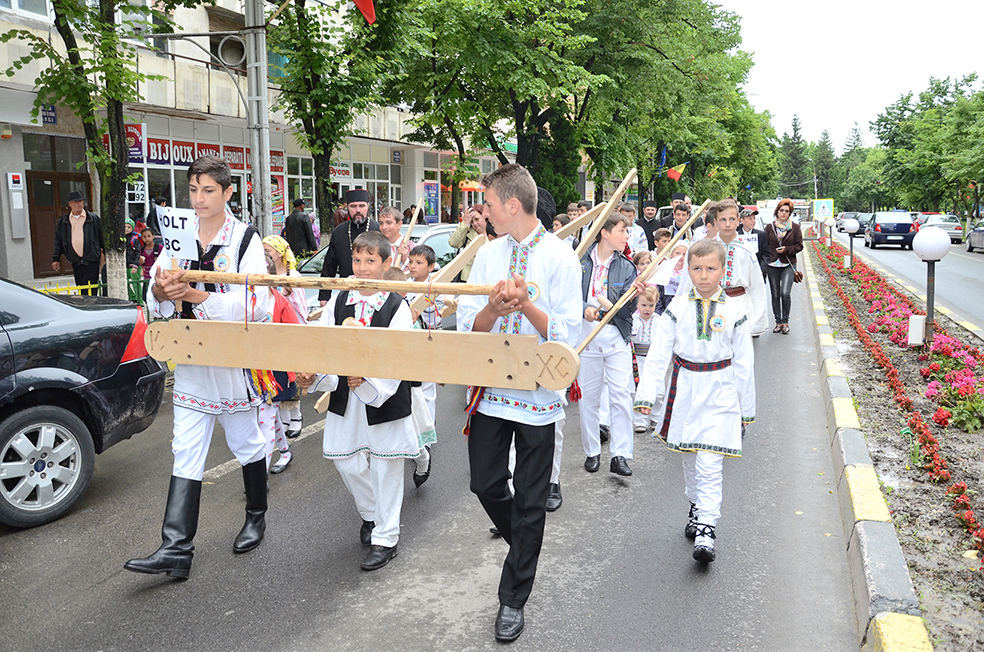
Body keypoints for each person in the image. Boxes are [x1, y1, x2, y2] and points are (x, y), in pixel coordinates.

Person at [124, 156, 272, 580]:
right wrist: (161, 290)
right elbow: (156, 291)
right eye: (193, 190)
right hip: (191, 358)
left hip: (230, 361)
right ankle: (176, 548)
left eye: (208, 190)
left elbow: (256, 304)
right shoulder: (179, 234)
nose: (199, 199)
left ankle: (256, 516)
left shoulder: (245, 239)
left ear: (228, 192)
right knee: (185, 449)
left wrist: (196, 295)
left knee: (246, 442)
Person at [457, 163, 581, 642]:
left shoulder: (560, 257)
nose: (484, 212)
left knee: (531, 500)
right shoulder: (488, 253)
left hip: (538, 393)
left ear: (512, 205)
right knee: (484, 483)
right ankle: (525, 546)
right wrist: (493, 308)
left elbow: (569, 335)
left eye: (488, 204)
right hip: (492, 390)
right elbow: (470, 324)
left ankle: (512, 598)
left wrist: (526, 303)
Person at [298, 231, 417, 572]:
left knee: (385, 468)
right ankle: (372, 514)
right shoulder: (339, 300)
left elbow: (399, 357)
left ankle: (386, 538)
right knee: (347, 462)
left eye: (370, 261)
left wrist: (370, 381)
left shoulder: (396, 306)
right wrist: (313, 374)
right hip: (345, 397)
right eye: (357, 260)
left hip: (384, 397)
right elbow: (325, 345)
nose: (362, 268)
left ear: (386, 263)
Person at [634, 238, 755, 564]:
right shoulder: (676, 309)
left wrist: (746, 409)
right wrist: (645, 395)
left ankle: (706, 530)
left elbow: (744, 363)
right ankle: (696, 505)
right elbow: (658, 356)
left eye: (711, 269)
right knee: (689, 458)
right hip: (685, 388)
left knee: (710, 463)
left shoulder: (735, 311)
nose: (703, 275)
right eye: (697, 268)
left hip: (721, 390)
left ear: (722, 270)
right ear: (688, 269)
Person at [578, 212, 638, 477]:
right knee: (588, 398)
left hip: (616, 337)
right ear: (605, 232)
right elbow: (565, 296)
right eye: (622, 230)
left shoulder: (627, 267)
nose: (627, 236)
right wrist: (584, 309)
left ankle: (620, 454)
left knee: (621, 396)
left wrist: (632, 298)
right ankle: (592, 451)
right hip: (586, 338)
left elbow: (627, 312)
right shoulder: (579, 261)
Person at [681, 201, 768, 337]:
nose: (727, 224)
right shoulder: (707, 249)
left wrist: (756, 320)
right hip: (710, 303)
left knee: (738, 344)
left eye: (732, 219)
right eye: (723, 220)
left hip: (739, 304)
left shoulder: (746, 250)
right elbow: (693, 282)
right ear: (715, 222)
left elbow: (756, 286)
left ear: (738, 221)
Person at [255, 251, 302, 475]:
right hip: (252, 367)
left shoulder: (280, 302)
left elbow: (294, 336)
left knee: (265, 417)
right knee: (268, 416)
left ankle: (260, 476)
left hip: (276, 370)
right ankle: (284, 452)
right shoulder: (244, 301)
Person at [263, 235, 308, 440]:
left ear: (280, 252)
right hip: (271, 335)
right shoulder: (263, 274)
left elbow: (301, 306)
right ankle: (283, 419)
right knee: (277, 378)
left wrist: (301, 331)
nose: (265, 254)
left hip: (290, 331)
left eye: (268, 250)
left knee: (292, 377)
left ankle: (296, 415)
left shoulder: (293, 275)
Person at [318, 189, 380, 306]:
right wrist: (324, 296)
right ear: (347, 208)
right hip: (346, 292)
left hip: (375, 292)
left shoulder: (378, 230)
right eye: (353, 206)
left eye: (362, 206)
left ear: (368, 207)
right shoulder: (339, 232)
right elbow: (329, 265)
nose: (358, 210)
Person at [51, 190, 104, 295]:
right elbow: (59, 241)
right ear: (70, 204)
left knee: (91, 290)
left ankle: (91, 304)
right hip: (76, 260)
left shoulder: (93, 219)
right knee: (81, 288)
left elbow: (101, 238)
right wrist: (56, 258)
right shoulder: (64, 221)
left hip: (92, 259)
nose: (79, 204)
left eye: (81, 201)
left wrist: (105, 256)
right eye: (76, 201)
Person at [764, 199, 804, 334]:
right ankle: (778, 322)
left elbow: (799, 246)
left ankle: (785, 321)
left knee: (785, 293)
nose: (784, 213)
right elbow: (764, 246)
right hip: (772, 264)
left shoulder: (795, 228)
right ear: (777, 211)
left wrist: (786, 249)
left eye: (787, 211)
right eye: (781, 210)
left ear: (790, 213)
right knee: (775, 294)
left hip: (788, 263)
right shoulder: (769, 227)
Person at [632, 285, 659, 433]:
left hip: (654, 359)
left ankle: (656, 417)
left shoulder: (660, 321)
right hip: (638, 360)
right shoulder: (633, 320)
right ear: (637, 304)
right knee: (639, 389)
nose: (647, 309)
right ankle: (639, 420)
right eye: (643, 305)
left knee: (658, 390)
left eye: (651, 305)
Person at [447, 204, 487, 281]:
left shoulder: (495, 232)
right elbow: (453, 243)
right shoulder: (467, 232)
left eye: (477, 219)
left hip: (487, 277)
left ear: (485, 217)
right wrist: (465, 223)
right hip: (467, 279)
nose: (475, 223)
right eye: (471, 221)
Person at [738, 208, 768, 280]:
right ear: (742, 220)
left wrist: (762, 269)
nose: (753, 221)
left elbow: (766, 254)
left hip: (757, 272)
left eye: (754, 218)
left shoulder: (761, 235)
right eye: (750, 219)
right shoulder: (736, 236)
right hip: (741, 273)